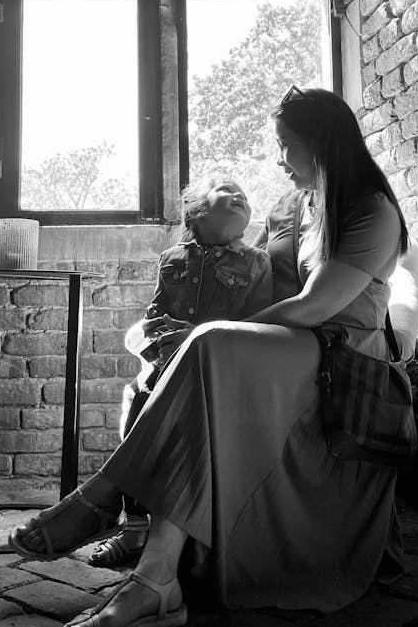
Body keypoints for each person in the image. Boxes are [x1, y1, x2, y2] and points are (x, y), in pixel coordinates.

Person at [9, 87, 418, 627]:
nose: (278, 159)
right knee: (203, 357)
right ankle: (155, 580)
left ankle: (102, 498)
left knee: (209, 343)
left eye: (286, 146)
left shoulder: (370, 209)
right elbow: (264, 278)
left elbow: (317, 305)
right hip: (296, 346)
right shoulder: (307, 204)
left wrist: (218, 330)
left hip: (339, 359)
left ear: (322, 144)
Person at [87, 175, 273, 567]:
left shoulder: (257, 263)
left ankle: (179, 531)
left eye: (245, 195)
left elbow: (257, 325)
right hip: (164, 366)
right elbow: (152, 318)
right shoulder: (171, 260)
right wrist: (153, 346)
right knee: (139, 399)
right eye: (228, 192)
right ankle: (134, 524)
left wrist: (201, 335)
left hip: (216, 371)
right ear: (198, 211)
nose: (240, 195)